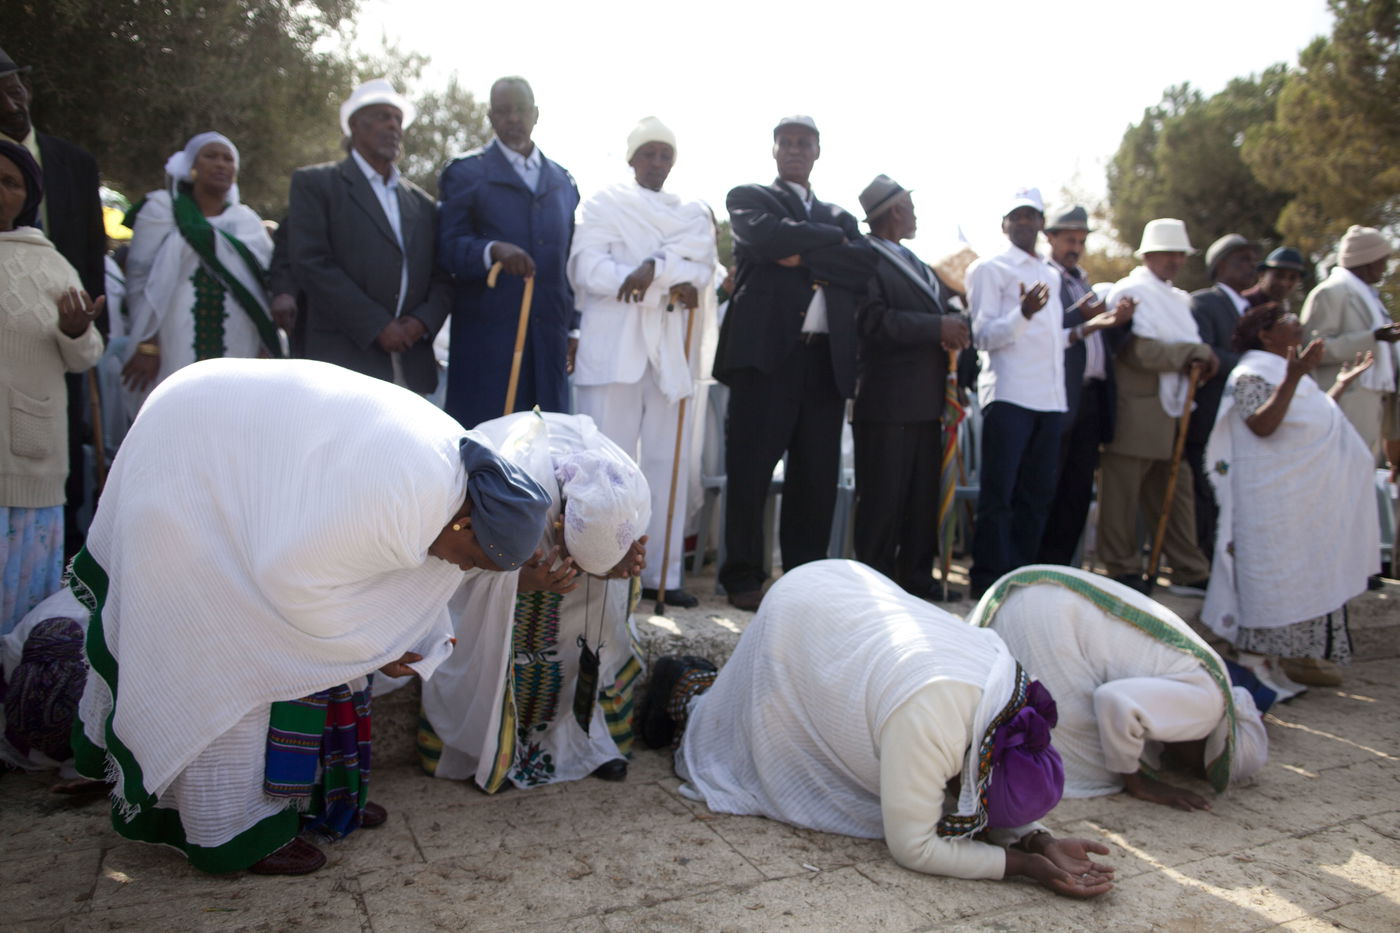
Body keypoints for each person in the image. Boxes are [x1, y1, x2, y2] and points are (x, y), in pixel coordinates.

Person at [69, 357, 551, 875]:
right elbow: (291, 589)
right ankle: (232, 833)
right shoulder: (405, 498)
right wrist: (376, 648)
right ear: (462, 526)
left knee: (316, 653)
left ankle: (317, 800)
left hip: (242, 466)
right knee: (234, 649)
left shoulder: (454, 494)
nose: (463, 570)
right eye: (474, 561)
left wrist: (381, 642)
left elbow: (383, 588)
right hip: (193, 459)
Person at [641, 559, 1113, 896]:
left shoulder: (1006, 703)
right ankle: (685, 690)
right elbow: (914, 848)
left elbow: (994, 783)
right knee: (752, 747)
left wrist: (1040, 838)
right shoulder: (930, 724)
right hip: (805, 617)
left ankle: (707, 681)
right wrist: (1024, 866)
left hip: (846, 587)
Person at [420, 410, 651, 789]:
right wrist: (518, 582)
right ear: (558, 527)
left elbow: (630, 544)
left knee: (595, 631)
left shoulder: (630, 489)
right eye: (571, 555)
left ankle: (589, 744)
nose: (573, 566)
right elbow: (462, 562)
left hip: (590, 597)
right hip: (519, 567)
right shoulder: (513, 489)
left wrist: (620, 565)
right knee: (513, 639)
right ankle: (498, 750)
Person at [712, 116, 873, 610]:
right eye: (787, 143)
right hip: (766, 359)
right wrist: (826, 248)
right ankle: (742, 577)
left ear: (818, 151)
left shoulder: (842, 216)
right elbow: (764, 242)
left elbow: (863, 265)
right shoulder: (749, 198)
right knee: (750, 470)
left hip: (824, 360)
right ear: (775, 150)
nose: (795, 150)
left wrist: (799, 253)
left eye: (805, 143)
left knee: (816, 477)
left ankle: (806, 580)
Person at [972, 565, 1268, 809]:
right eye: (1195, 767)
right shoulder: (1206, 706)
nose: (1182, 768)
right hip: (1046, 619)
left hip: (1030, 593)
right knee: (1092, 769)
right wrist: (1137, 781)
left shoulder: (1209, 679)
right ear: (1204, 738)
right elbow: (1116, 701)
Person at [569, 117, 717, 608]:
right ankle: (597, 564)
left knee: (666, 461)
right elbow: (585, 267)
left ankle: (662, 574)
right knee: (605, 462)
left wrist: (650, 271)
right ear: (632, 158)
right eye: (648, 154)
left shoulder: (691, 213)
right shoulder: (603, 204)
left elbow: (701, 270)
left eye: (665, 155)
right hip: (613, 348)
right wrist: (659, 280)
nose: (657, 163)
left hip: (669, 348)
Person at [1202, 305, 1378, 696]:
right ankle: (1250, 663)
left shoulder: (1286, 372)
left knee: (1292, 576)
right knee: (1268, 578)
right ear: (1265, 336)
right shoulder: (1251, 372)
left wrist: (1339, 387)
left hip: (1293, 503)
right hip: (1267, 501)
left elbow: (1304, 422)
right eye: (1287, 321)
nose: (1298, 324)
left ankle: (1271, 664)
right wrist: (1295, 375)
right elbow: (1263, 425)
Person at [1, 46, 107, 560]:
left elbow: (88, 252)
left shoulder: (74, 162)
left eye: (14, 85)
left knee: (56, 453)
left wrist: (79, 324)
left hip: (57, 338)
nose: (10, 98)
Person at [287, 78, 451, 395]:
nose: (393, 126)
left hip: (410, 362)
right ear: (354, 126)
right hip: (343, 360)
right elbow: (311, 263)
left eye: (398, 119)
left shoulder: (421, 204)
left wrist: (420, 323)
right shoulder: (317, 185)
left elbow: (442, 277)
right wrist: (377, 326)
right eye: (381, 117)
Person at [0, 140, 104, 633]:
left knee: (16, 617)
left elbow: (87, 356)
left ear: (28, 197)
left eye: (10, 182)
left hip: (28, 466)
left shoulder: (49, 264)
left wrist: (75, 330)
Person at [850, 175, 970, 598]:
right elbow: (872, 321)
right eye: (911, 206)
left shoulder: (918, 264)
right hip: (886, 399)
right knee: (883, 500)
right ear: (895, 210)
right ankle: (876, 586)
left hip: (927, 399)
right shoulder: (864, 256)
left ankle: (918, 580)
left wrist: (956, 328)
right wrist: (938, 325)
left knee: (920, 499)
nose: (916, 214)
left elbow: (945, 312)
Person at [438, 76, 580, 428]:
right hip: (489, 342)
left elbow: (569, 263)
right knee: (488, 443)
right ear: (490, 117)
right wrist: (491, 251)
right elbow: (448, 249)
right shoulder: (466, 174)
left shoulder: (563, 182)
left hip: (548, 339)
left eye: (520, 110)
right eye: (502, 111)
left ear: (536, 114)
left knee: (547, 445)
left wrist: (572, 330)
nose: (513, 118)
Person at [1098, 219, 1217, 594]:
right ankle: (1121, 565)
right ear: (1149, 254)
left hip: (1173, 409)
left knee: (1174, 490)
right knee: (1122, 492)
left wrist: (1199, 360)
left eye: (1180, 254)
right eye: (1168, 253)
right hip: (1138, 409)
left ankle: (1188, 567)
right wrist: (1194, 353)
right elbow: (1138, 352)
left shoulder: (1177, 299)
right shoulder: (1130, 291)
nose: (1175, 261)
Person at [118, 133, 277, 402]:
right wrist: (147, 343)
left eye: (228, 159)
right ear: (191, 165)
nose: (220, 164)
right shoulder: (160, 209)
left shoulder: (247, 222)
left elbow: (263, 289)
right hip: (171, 335)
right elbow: (139, 279)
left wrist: (265, 344)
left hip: (239, 336)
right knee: (178, 409)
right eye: (211, 156)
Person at [965, 188, 1066, 596]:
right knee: (999, 495)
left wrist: (1091, 325)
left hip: (1051, 398)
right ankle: (988, 580)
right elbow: (983, 336)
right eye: (1016, 216)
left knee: (1037, 496)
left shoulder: (1053, 274)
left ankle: (1022, 581)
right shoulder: (991, 269)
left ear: (1042, 222)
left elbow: (1054, 339)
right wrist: (1022, 314)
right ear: (1004, 225)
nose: (1024, 223)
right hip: (1009, 395)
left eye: (1032, 215)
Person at [1036, 206, 1135, 565]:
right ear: (1050, 238)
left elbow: (1103, 344)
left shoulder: (1084, 281)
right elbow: (1046, 330)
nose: (1074, 247)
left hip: (1092, 398)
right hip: (1059, 396)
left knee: (1077, 489)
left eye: (1080, 240)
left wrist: (1121, 322)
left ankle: (1060, 567)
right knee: (1051, 484)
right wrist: (1083, 315)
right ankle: (1038, 565)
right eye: (1068, 239)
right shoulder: (1044, 277)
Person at [1187, 234, 1260, 560]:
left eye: (1252, 259)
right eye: (1241, 259)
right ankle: (1207, 557)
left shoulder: (1253, 309)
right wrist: (1253, 366)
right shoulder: (1205, 302)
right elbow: (1205, 353)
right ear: (1220, 266)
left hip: (1243, 417)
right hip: (1211, 412)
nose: (1251, 266)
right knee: (1207, 486)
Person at [1299, 225, 1399, 459]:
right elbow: (1315, 349)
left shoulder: (1372, 298)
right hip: (1347, 398)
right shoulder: (1330, 293)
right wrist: (1373, 338)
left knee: (1365, 472)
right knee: (1346, 468)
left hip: (1375, 395)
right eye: (1382, 261)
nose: (1384, 269)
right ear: (1367, 260)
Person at [1243, 247, 1306, 312]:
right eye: (1279, 275)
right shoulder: (1243, 303)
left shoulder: (1284, 309)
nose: (1284, 283)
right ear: (1262, 274)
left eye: (1292, 278)